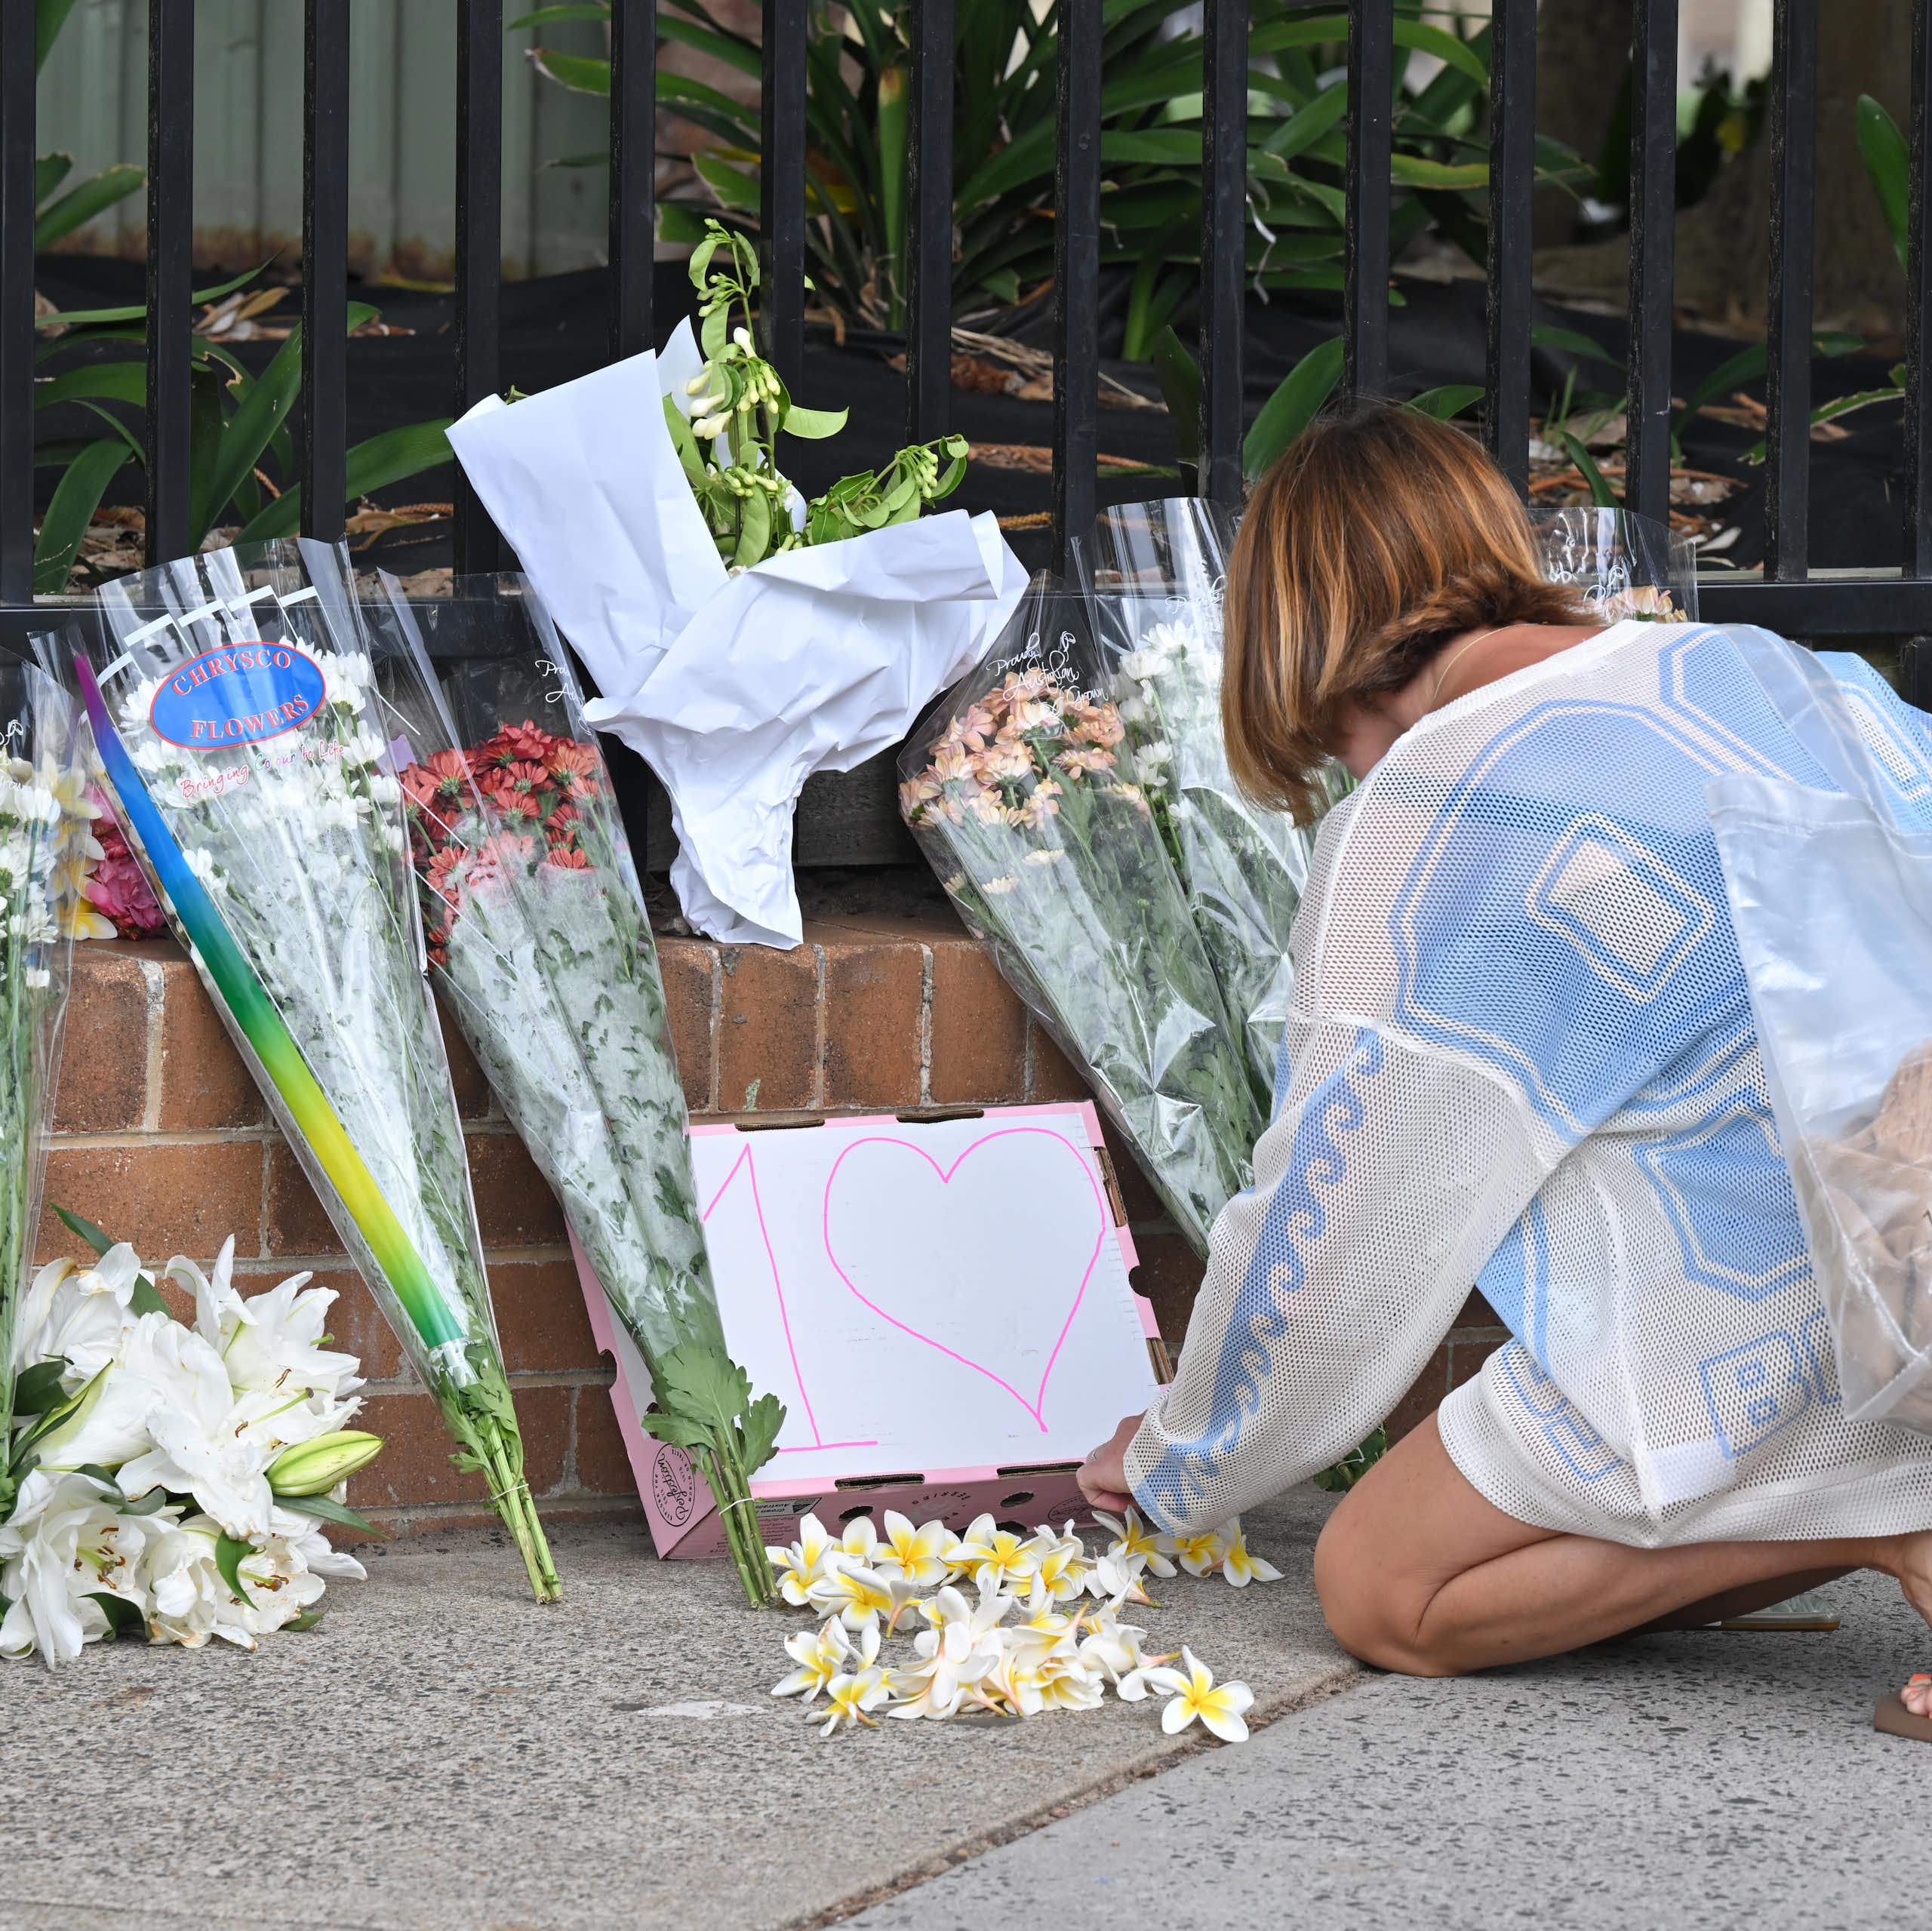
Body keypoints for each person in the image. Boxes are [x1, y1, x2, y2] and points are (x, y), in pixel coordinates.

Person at [1077, 402, 1932, 1679]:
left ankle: (1893, 1524)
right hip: (1908, 1258)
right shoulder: (1765, 663)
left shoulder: (1443, 806)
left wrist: (1177, 1457)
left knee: (1384, 1590)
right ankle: (1886, 1490)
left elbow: (1343, 1214)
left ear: (1297, 634)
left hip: (1767, 1304)